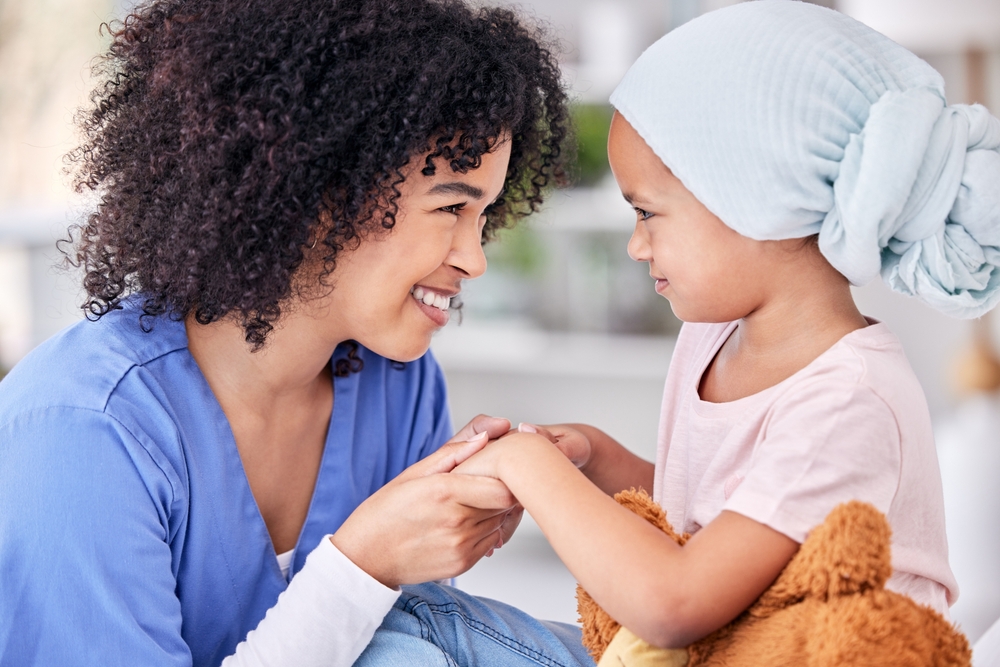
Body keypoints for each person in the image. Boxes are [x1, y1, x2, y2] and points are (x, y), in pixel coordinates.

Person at [354, 2, 1000, 664]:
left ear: (755, 199)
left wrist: (531, 466)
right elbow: (722, 527)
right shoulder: (714, 337)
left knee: (423, 628)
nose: (636, 245)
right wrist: (596, 458)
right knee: (411, 621)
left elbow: (676, 605)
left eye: (647, 212)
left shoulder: (849, 402)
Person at [0, 0, 572, 665]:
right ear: (317, 184)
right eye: (451, 206)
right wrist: (363, 561)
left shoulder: (401, 387)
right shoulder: (82, 428)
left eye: (485, 214)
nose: (475, 258)